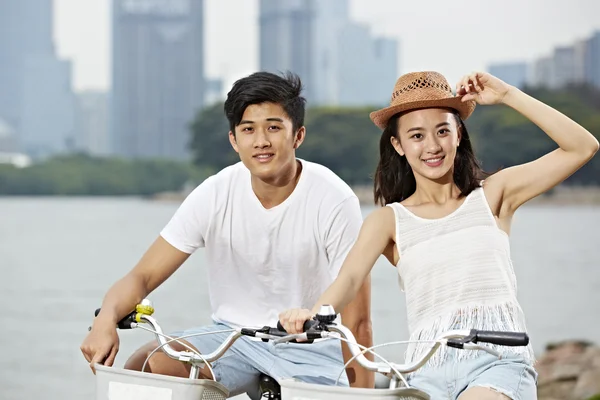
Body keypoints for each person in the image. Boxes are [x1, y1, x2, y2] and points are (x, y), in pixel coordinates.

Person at [278, 70, 599, 399]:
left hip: (497, 363)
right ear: (398, 145)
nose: (432, 146)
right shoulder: (388, 221)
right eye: (416, 136)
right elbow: (348, 280)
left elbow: (582, 147)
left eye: (442, 131)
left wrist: (506, 96)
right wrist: (312, 314)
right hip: (424, 372)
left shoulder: (493, 195)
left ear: (458, 135)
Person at [80, 71, 374, 399]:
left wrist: (364, 392)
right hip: (231, 339)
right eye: (248, 129)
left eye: (274, 128)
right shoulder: (215, 192)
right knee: (146, 366)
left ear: (298, 135)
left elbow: (357, 320)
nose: (261, 141)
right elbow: (143, 275)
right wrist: (105, 320)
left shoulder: (334, 198)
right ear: (234, 139)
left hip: (312, 345)